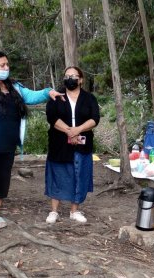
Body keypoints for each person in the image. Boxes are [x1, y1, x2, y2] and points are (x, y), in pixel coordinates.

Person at [0, 50, 62, 232]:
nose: (6, 68)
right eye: (2, 65)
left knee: (2, 180)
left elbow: (31, 96)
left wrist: (48, 92)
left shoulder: (13, 86)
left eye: (7, 65)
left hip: (8, 144)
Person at [45, 66, 100, 223]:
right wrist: (69, 131)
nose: (70, 78)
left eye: (74, 76)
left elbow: (95, 118)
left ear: (81, 79)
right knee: (58, 174)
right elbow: (52, 117)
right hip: (59, 143)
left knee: (80, 174)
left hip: (82, 144)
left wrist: (78, 130)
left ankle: (74, 211)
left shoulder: (89, 98)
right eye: (67, 76)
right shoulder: (56, 97)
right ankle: (54, 211)